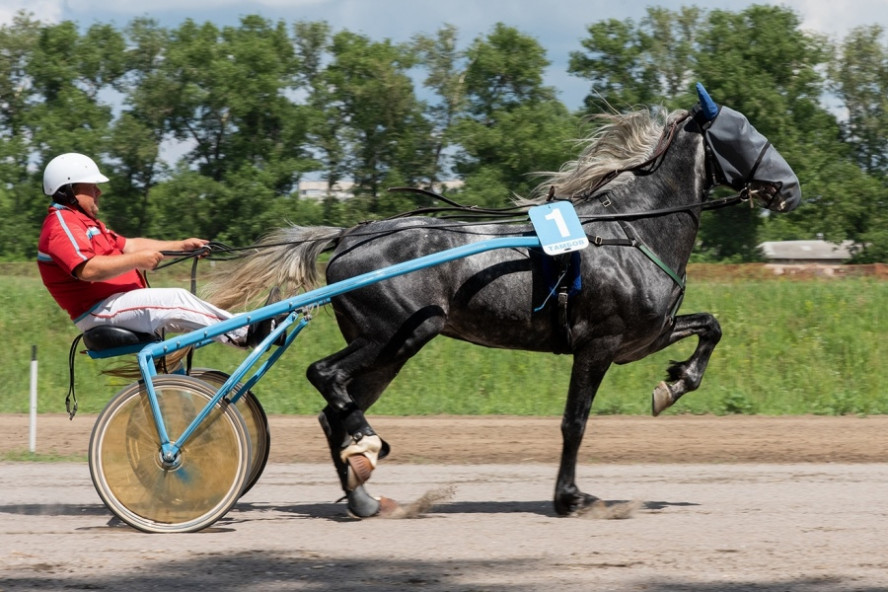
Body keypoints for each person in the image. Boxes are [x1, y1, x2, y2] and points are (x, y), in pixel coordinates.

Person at [37, 152, 273, 348]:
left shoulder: (85, 222)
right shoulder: (61, 225)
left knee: (183, 312)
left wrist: (180, 246)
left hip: (116, 304)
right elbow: (87, 270)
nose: (99, 192)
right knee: (175, 299)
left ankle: (257, 325)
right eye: (91, 186)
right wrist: (136, 260)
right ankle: (245, 332)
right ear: (68, 190)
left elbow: (130, 245)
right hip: (98, 311)